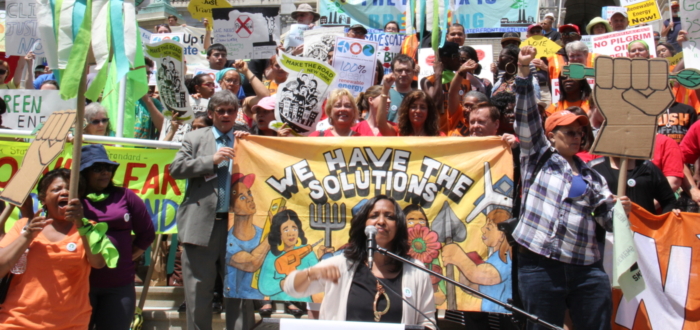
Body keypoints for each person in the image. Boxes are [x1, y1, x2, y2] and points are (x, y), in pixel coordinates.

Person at [513, 45, 631, 329]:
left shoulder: (594, 176)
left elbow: (607, 221)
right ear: (551, 136)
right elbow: (527, 114)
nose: (576, 136)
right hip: (540, 265)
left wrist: (618, 210)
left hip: (586, 270)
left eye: (580, 132)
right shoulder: (538, 156)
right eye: (569, 132)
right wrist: (523, 70)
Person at [282, 195, 437, 329]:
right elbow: (291, 288)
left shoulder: (416, 271)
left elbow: (427, 322)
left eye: (389, 216)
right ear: (363, 224)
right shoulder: (341, 264)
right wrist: (310, 274)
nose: (381, 221)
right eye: (374, 215)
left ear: (399, 226)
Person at [169, 90, 254, 330]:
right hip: (201, 224)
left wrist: (249, 143)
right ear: (211, 113)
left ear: (237, 114)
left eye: (231, 111)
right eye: (221, 111)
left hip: (236, 226)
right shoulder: (195, 138)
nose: (226, 115)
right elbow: (175, 169)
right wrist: (210, 160)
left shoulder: (246, 140)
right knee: (198, 290)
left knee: (238, 290)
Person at [0, 169, 106, 329]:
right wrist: (27, 236)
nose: (64, 192)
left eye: (70, 190)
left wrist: (80, 224)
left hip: (71, 324)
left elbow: (98, 263)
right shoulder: (24, 226)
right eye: (57, 189)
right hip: (17, 322)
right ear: (43, 198)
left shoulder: (90, 229)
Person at [78, 144, 155, 330]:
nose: (105, 173)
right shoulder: (74, 201)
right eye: (97, 169)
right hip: (81, 285)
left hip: (119, 285)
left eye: (108, 168)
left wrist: (127, 256)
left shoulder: (125, 196)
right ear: (84, 173)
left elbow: (146, 233)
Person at [441, 208, 512, 313]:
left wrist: (459, 257)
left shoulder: (506, 258)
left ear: (502, 235)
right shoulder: (493, 258)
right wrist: (463, 267)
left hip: (504, 318)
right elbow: (474, 288)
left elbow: (481, 275)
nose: (483, 229)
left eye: (489, 228)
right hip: (490, 314)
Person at [258, 209, 319, 307]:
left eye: (294, 228)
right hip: (278, 304)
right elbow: (264, 286)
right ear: (279, 234)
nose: (291, 233)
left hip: (304, 303)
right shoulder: (272, 255)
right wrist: (283, 283)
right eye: (286, 229)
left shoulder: (308, 253)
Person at [421, 41, 471, 131]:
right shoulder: (428, 81)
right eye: (455, 57)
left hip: (459, 132)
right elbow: (435, 103)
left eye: (460, 57)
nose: (459, 60)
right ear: (444, 59)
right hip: (438, 133)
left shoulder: (465, 82)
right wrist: (438, 75)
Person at [377, 76, 442, 137]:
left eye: (423, 107)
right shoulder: (398, 132)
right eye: (413, 107)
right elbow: (381, 124)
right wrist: (385, 89)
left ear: (429, 111)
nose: (418, 111)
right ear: (406, 110)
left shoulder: (438, 136)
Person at [216, 61, 271, 128]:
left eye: (236, 81)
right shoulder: (212, 102)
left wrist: (246, 71)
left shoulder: (244, 103)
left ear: (240, 85)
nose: (231, 84)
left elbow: (265, 98)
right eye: (228, 80)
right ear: (220, 82)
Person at [136, 57, 165, 140]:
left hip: (146, 152)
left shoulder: (154, 103)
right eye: (142, 72)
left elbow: (163, 128)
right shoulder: (120, 99)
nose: (146, 75)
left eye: (148, 73)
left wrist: (147, 101)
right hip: (120, 151)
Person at [387, 55, 418, 122]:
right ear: (392, 72)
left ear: (413, 73)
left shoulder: (420, 97)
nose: (404, 74)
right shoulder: (384, 95)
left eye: (407, 70)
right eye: (399, 70)